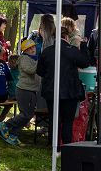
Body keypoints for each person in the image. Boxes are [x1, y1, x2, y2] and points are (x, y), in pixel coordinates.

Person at [0, 15, 53, 145]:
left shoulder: (34, 58)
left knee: (28, 114)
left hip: (32, 90)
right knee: (26, 114)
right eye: (30, 48)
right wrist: (41, 62)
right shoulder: (24, 59)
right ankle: (6, 125)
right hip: (23, 90)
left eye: (33, 47)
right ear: (25, 51)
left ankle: (13, 133)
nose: (33, 49)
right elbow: (31, 70)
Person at [38, 17, 92, 147]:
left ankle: (52, 144)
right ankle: (66, 145)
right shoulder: (72, 50)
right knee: (68, 120)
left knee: (54, 119)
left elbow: (39, 71)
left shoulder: (46, 51)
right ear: (67, 37)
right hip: (70, 91)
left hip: (51, 90)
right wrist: (83, 45)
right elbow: (85, 63)